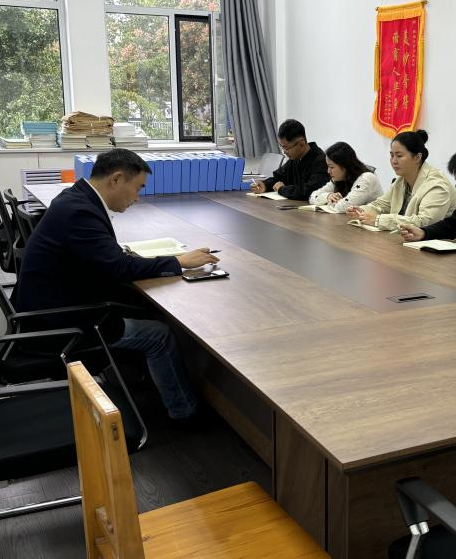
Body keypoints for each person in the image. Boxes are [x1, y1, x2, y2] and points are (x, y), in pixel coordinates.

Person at [16, 148, 219, 422]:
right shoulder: (81, 213)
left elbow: (106, 260)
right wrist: (178, 261)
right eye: (138, 188)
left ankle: (140, 377)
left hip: (50, 303)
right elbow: (118, 268)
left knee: (143, 306)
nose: (137, 197)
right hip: (61, 321)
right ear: (116, 179)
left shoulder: (75, 198)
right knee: (159, 334)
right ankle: (186, 413)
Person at [347, 130, 456, 230]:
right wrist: (361, 210)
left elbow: (425, 222)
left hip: (448, 243)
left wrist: (378, 220)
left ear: (417, 157)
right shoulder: (401, 180)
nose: (394, 161)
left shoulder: (436, 184)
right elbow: (382, 205)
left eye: (399, 156)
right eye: (392, 155)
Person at [250, 119, 328, 200]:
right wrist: (265, 185)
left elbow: (311, 190)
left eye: (286, 148)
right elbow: (278, 178)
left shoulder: (321, 161)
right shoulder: (295, 159)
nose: (284, 152)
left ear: (301, 144)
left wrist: (282, 189)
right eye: (282, 147)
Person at [308, 141, 383, 213]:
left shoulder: (366, 178)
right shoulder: (338, 179)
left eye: (331, 167)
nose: (328, 171)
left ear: (345, 165)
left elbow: (342, 207)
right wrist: (327, 196)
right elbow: (312, 197)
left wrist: (330, 201)